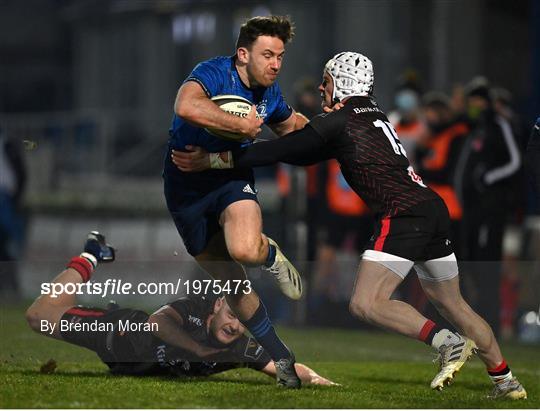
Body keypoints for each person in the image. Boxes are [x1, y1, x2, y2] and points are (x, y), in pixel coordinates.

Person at [171, 52, 528, 400]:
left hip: (403, 213)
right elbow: (305, 153)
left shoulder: (340, 119)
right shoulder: (373, 115)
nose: (324, 91)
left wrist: (215, 159)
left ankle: (445, 342)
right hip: (430, 208)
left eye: (327, 82)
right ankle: (507, 380)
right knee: (456, 304)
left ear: (341, 82)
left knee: (365, 303)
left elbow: (285, 150)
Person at [163, 16, 309, 388]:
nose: (275, 64)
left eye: (280, 56)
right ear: (243, 54)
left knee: (243, 249)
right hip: (185, 190)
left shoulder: (269, 95)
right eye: (267, 55)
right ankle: (282, 356)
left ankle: (266, 253)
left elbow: (293, 128)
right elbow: (185, 105)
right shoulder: (213, 72)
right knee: (233, 284)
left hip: (229, 180)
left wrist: (335, 131)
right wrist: (237, 124)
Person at [25, 232, 335, 385]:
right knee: (39, 315)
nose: (235, 325)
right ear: (216, 306)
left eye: (242, 321)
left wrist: (322, 382)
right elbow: (159, 323)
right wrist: (197, 351)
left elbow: (286, 368)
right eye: (231, 314)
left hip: (130, 367)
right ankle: (92, 255)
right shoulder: (196, 310)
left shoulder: (242, 347)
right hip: (122, 334)